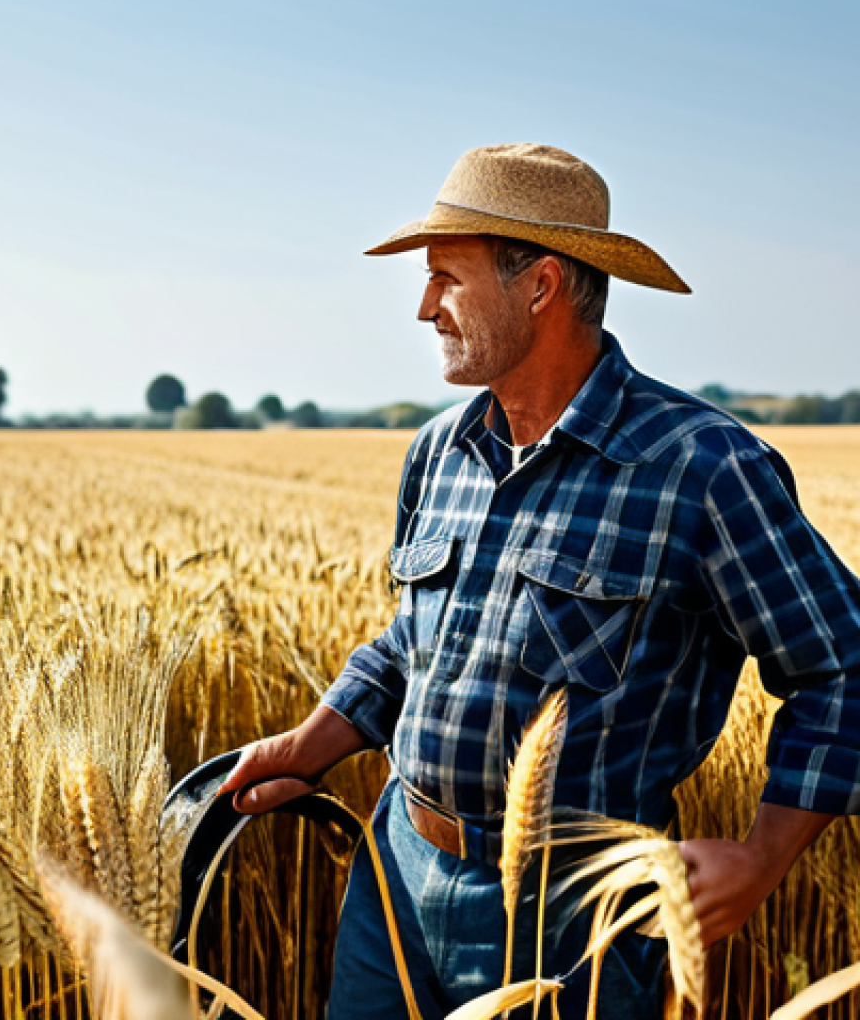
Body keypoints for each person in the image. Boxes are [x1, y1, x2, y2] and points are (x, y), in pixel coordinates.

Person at [219, 144, 860, 1018]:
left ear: (541, 285)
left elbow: (841, 669)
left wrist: (762, 856)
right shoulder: (438, 453)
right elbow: (416, 642)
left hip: (576, 917)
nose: (422, 308)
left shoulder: (701, 466)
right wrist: (314, 743)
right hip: (396, 874)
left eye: (446, 277)